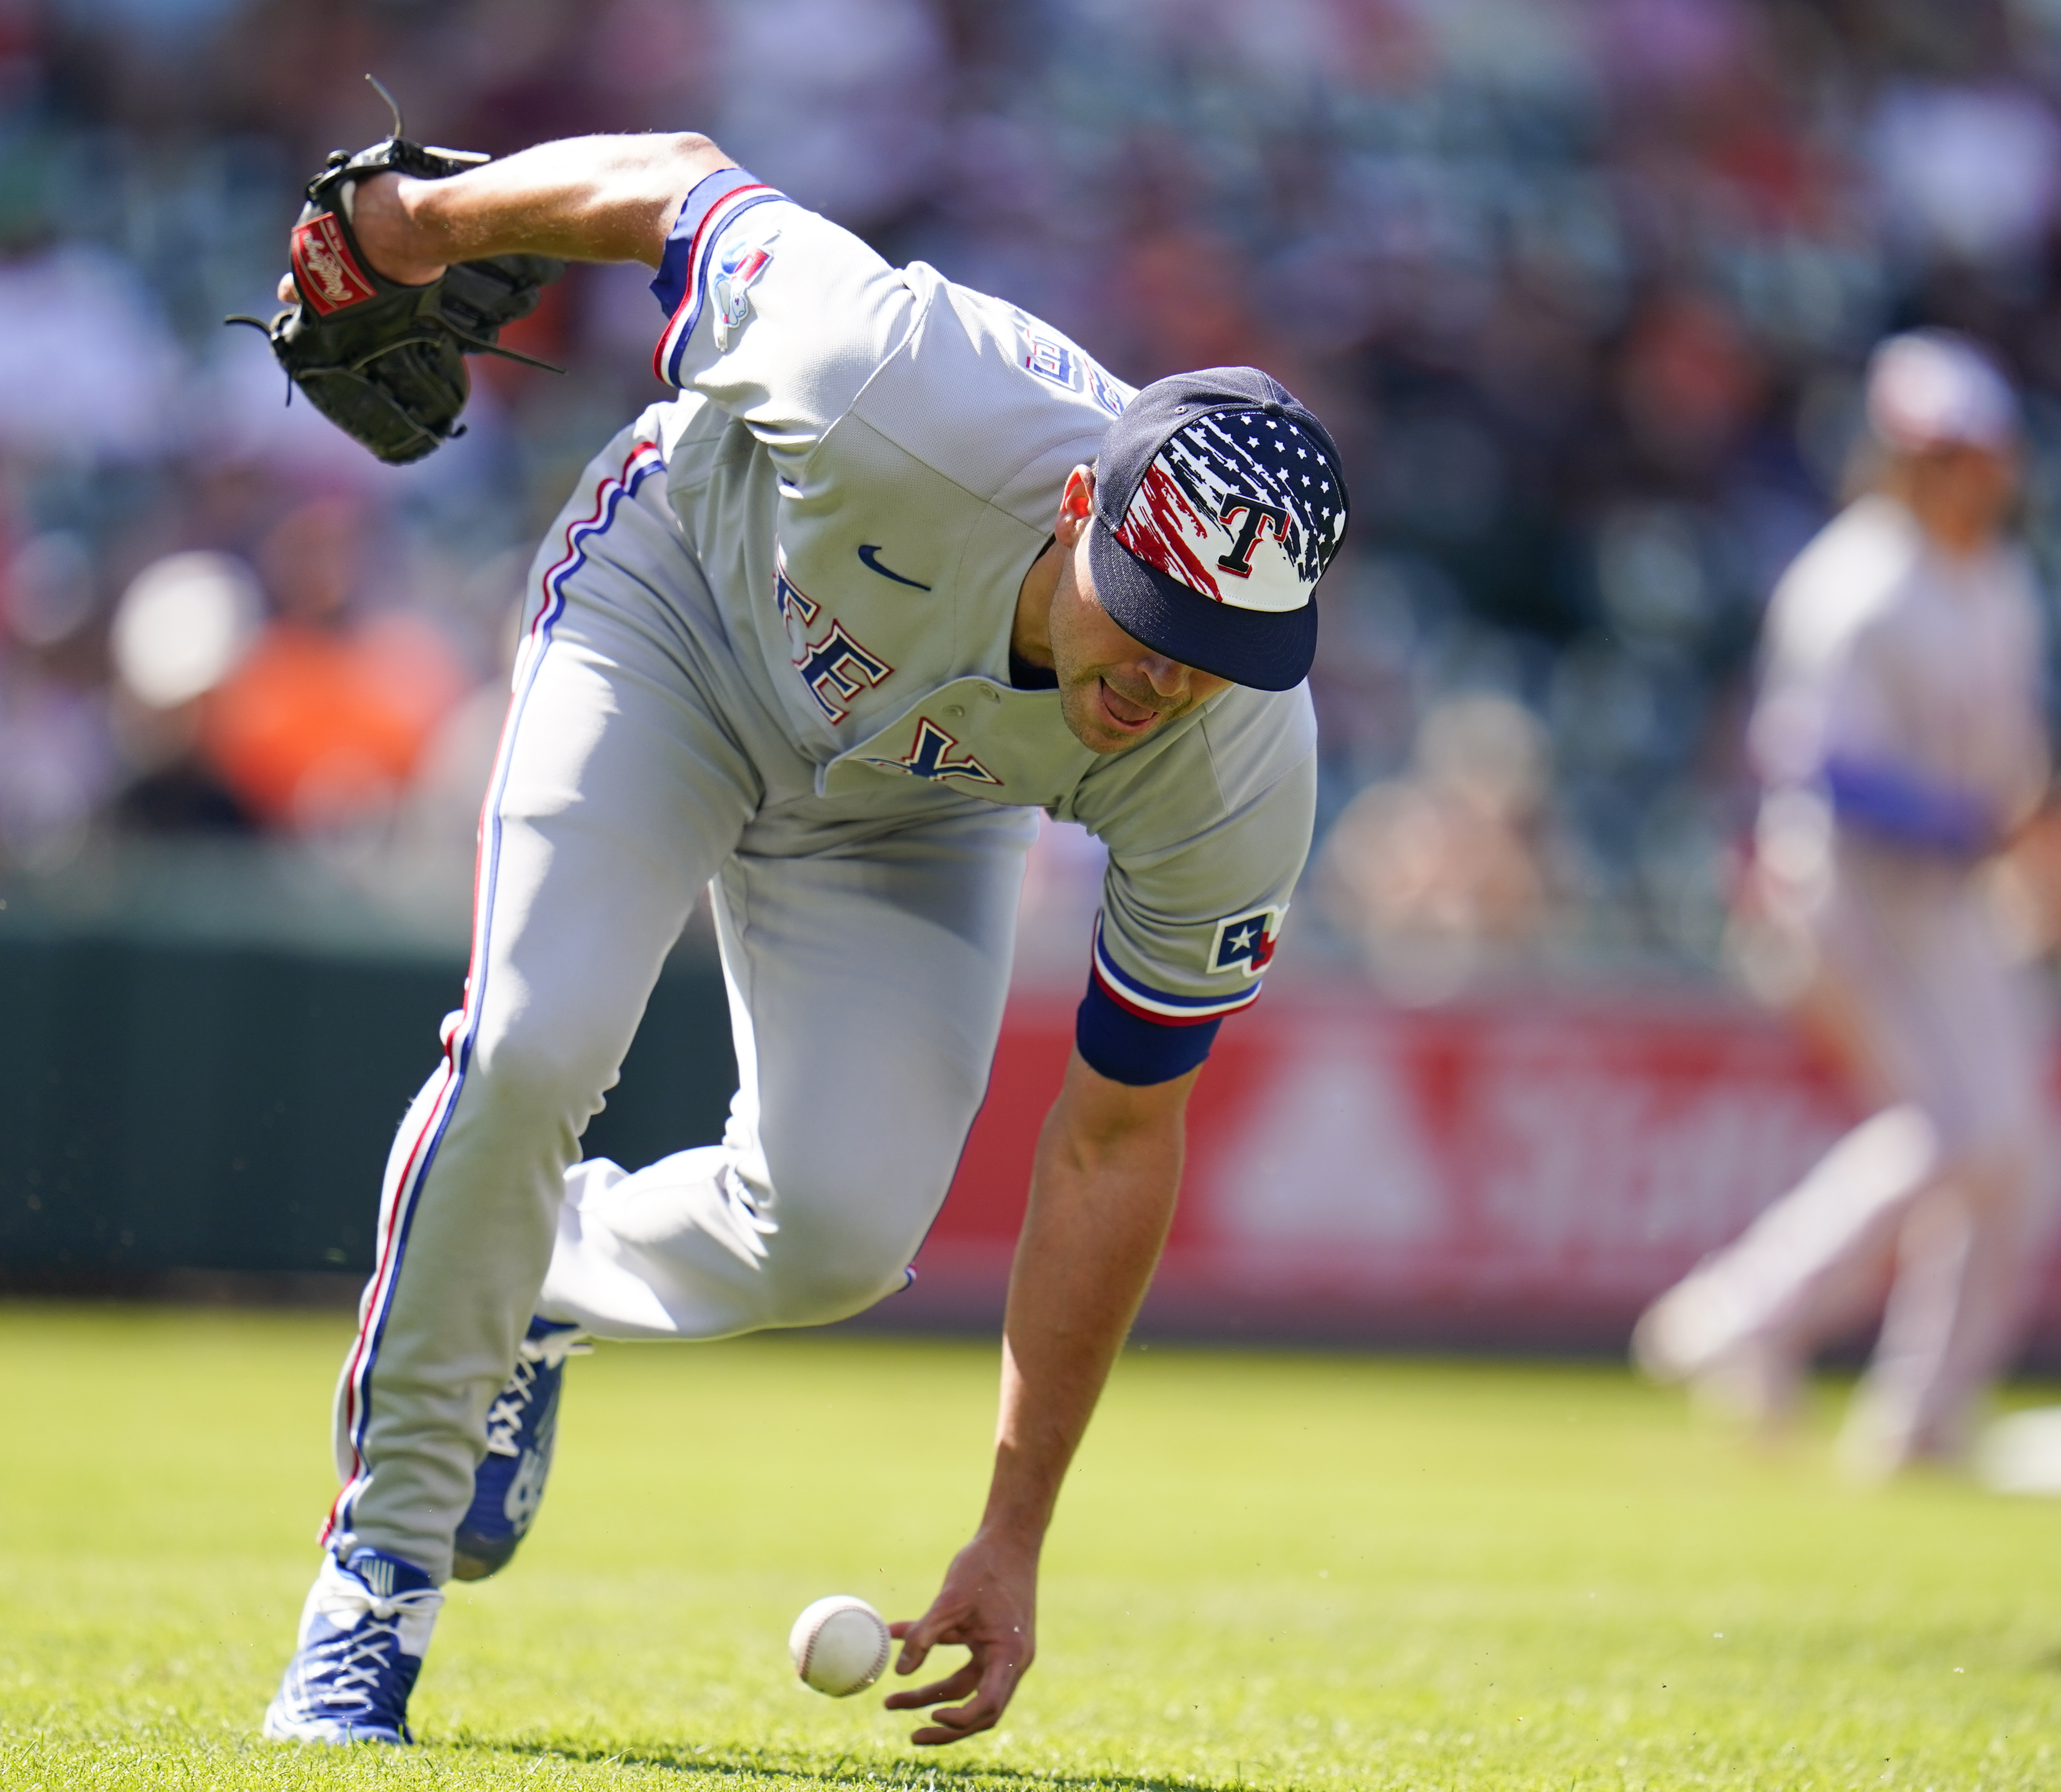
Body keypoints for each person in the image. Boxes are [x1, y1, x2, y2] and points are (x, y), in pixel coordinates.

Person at [260, 134, 1347, 1747]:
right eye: (1152, 614)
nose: (1168, 680)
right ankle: (379, 1579)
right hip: (679, 619)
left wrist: (1014, 1534)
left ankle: (534, 1273)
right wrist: (411, 223)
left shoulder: (1238, 757)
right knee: (529, 1047)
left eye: (1220, 652)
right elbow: (681, 184)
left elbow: (1118, 1140)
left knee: (835, 1234)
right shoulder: (894, 371)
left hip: (916, 805)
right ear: (1076, 505)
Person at [1634, 330, 2061, 1481]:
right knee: (1959, 1136)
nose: (1964, 471)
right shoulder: (1856, 584)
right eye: (1940, 451)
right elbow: (1825, 767)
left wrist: (2034, 828)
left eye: (1972, 450)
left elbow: (2012, 759)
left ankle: (1910, 1407)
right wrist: (1983, 825)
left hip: (1951, 899)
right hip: (1843, 891)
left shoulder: (1996, 575)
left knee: (2013, 1149)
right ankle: (1748, 1317)